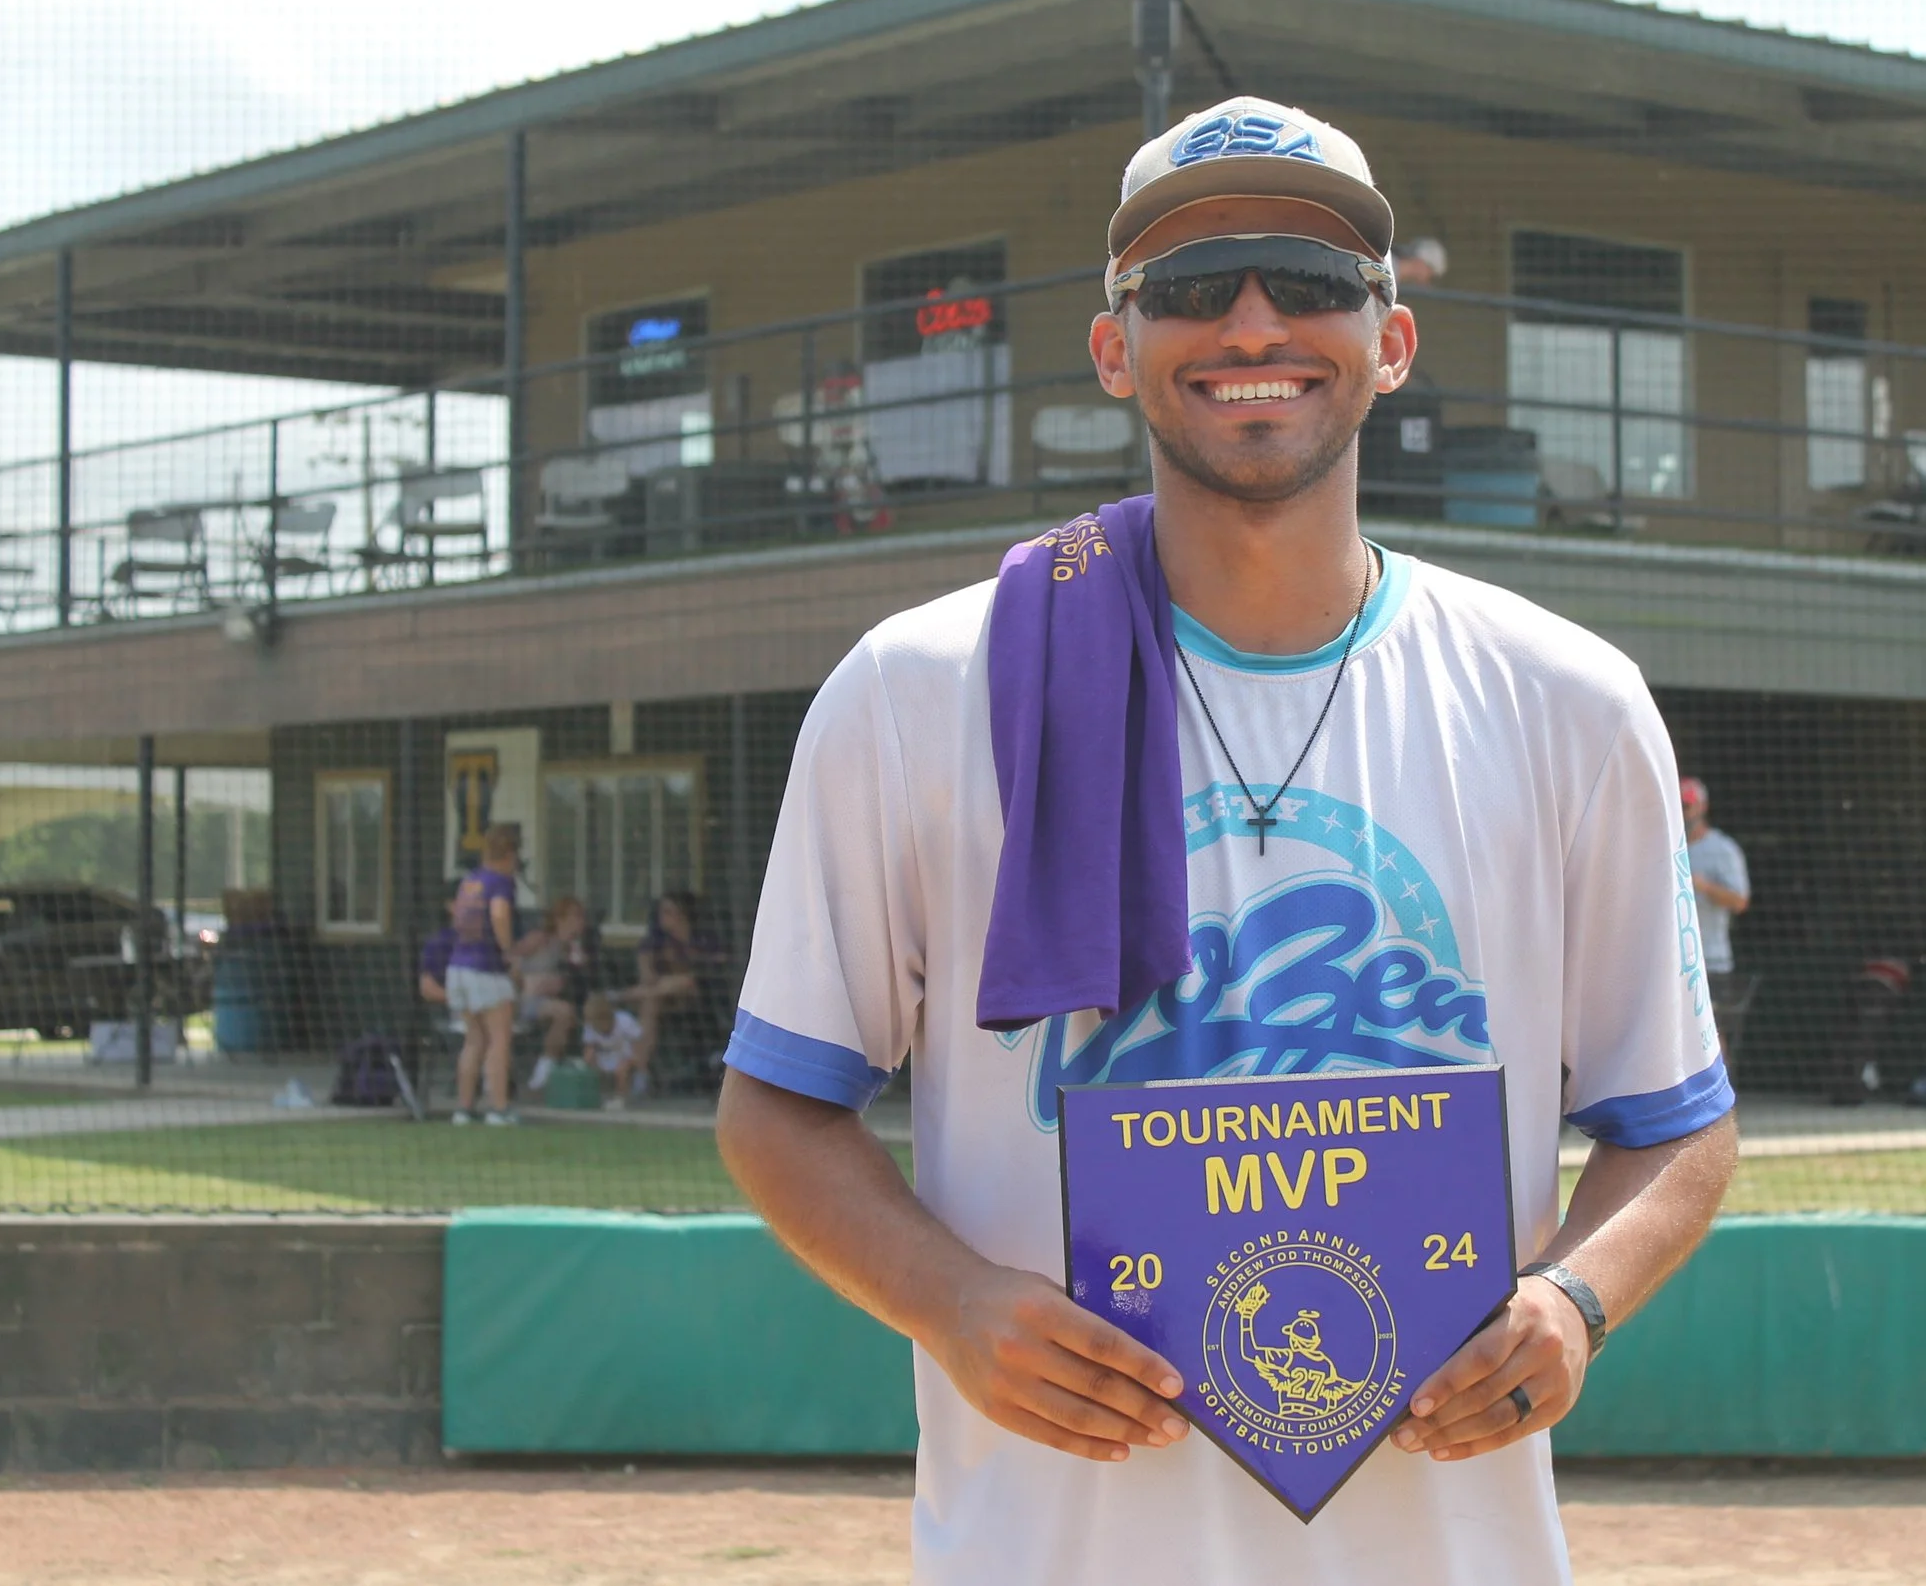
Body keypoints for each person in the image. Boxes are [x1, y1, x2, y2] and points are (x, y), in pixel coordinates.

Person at [714, 97, 1737, 1586]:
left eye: (1312, 281)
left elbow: (1679, 1117)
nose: (1252, 319)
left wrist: (1575, 1302)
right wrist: (951, 1298)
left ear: (1389, 340)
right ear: (1117, 346)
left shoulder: (1566, 700)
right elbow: (774, 1104)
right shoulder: (924, 688)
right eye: (1191, 288)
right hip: (1048, 1545)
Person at [447, 823, 523, 1126]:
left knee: (473, 1040)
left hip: (458, 966)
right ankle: (498, 1109)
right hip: (487, 969)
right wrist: (509, 953)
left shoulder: (469, 881)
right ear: (509, 853)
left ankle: (463, 1110)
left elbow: (459, 919)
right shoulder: (501, 882)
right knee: (499, 1040)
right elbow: (499, 914)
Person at [1681, 777, 1756, 1068]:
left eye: (1687, 806)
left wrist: (1704, 886)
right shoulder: (1661, 845)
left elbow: (1740, 901)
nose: (1683, 813)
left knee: (1710, 1032)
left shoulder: (1722, 849)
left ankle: (1717, 1100)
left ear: (1702, 807)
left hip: (1711, 959)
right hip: (1669, 962)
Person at [624, 890, 727, 1088]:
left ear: (682, 913)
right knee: (651, 1002)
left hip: (697, 1000)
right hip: (663, 998)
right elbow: (647, 976)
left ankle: (638, 1068)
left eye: (668, 911)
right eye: (661, 911)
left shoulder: (702, 938)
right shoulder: (656, 940)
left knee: (677, 985)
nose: (662, 916)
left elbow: (702, 974)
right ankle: (640, 1070)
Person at [519, 896, 593, 1093]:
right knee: (564, 1011)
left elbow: (580, 983)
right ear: (559, 918)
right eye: (575, 916)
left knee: (567, 1012)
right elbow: (509, 959)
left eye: (582, 917)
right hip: (524, 998)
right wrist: (527, 982)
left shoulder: (574, 948)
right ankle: (542, 1075)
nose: (581, 921)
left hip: (553, 1002)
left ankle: (546, 1069)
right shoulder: (539, 938)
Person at [577, 990, 650, 1111]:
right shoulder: (590, 1027)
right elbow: (589, 1049)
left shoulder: (624, 1021)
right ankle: (597, 1097)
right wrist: (588, 1060)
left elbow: (639, 1046)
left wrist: (636, 1063)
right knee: (589, 1066)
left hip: (628, 1057)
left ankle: (621, 1099)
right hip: (605, 1058)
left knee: (621, 1070)